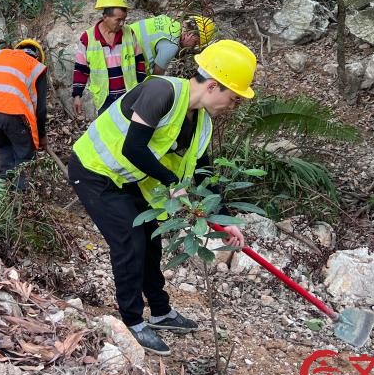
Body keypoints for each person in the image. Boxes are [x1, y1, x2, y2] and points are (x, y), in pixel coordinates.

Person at [67, 39, 258, 355]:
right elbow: (133, 148)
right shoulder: (162, 92)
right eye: (234, 97)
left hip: (128, 181)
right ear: (213, 86)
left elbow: (202, 173)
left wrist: (225, 219)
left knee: (151, 241)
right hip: (93, 171)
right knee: (130, 241)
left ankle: (160, 311)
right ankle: (132, 322)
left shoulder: (201, 124)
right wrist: (172, 183)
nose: (233, 105)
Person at [0, 39, 48, 191]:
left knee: (4, 146)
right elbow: (40, 110)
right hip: (13, 116)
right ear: (38, 56)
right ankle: (21, 198)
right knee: (24, 156)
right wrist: (41, 136)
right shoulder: (37, 67)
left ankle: (2, 192)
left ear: (17, 48)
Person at [72, 0, 147, 117]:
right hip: (104, 99)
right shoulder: (87, 38)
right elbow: (81, 69)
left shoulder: (129, 34)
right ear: (105, 17)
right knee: (107, 134)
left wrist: (142, 88)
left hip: (129, 96)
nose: (122, 23)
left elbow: (139, 61)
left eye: (124, 19)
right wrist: (77, 95)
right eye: (118, 20)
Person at [129, 14, 218, 74]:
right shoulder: (171, 46)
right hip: (126, 59)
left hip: (122, 38)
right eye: (195, 43)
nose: (191, 48)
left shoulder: (167, 20)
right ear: (190, 35)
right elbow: (155, 77)